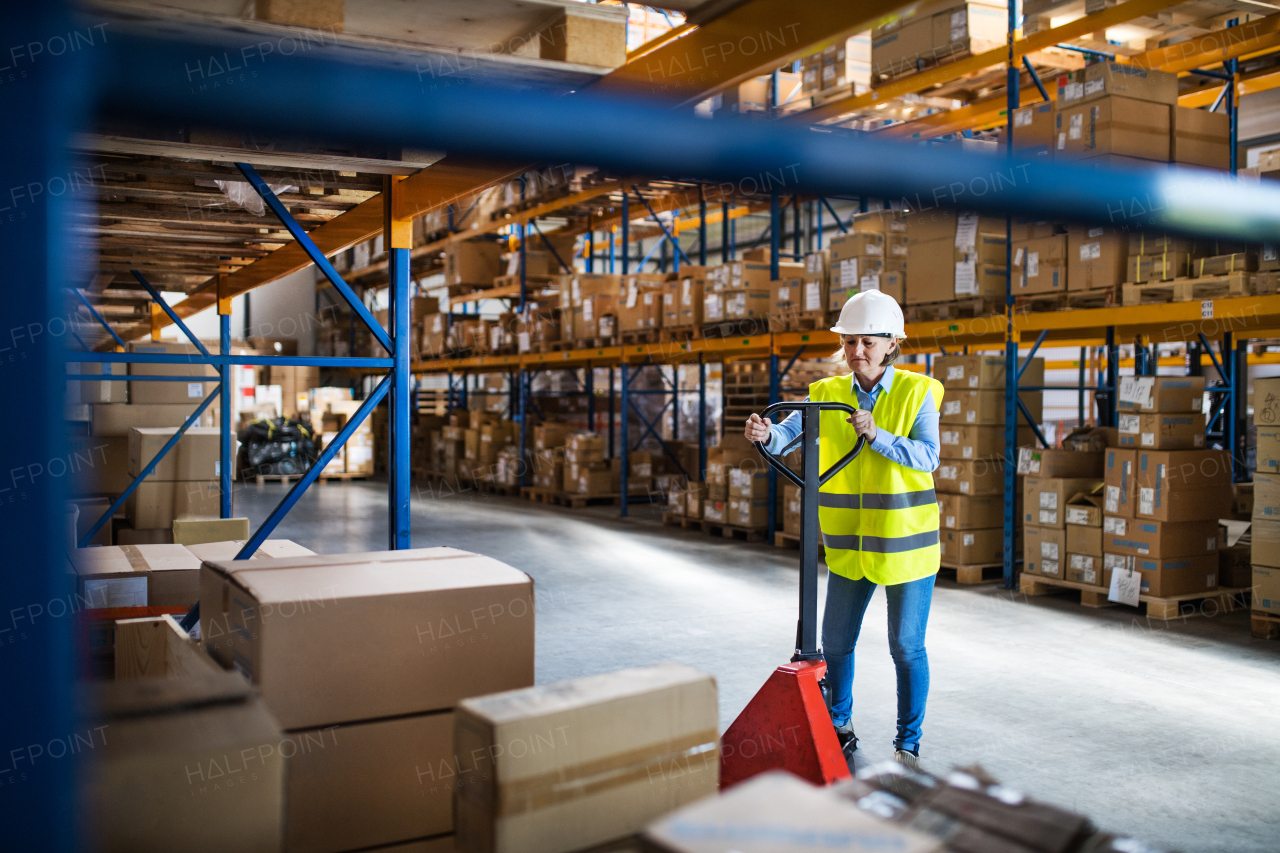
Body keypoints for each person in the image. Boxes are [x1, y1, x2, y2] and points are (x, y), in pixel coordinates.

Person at [743, 290, 943, 771]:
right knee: (835, 645)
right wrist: (767, 435)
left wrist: (880, 436)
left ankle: (908, 743)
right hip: (850, 545)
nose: (858, 351)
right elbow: (791, 432)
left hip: (906, 546)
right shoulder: (826, 394)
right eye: (850, 341)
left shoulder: (917, 393)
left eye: (868, 342)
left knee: (906, 646)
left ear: (892, 344)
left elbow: (929, 457)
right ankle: (839, 726)